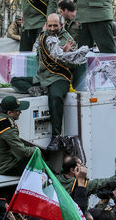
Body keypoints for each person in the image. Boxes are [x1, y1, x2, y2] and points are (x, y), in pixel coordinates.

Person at [11, 14, 89, 151]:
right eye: (50, 25)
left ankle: (56, 136)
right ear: (46, 25)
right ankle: (37, 89)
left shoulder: (67, 39)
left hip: (59, 78)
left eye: (55, 25)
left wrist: (64, 54)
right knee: (15, 80)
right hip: (42, 77)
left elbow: (75, 63)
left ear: (61, 25)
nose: (52, 28)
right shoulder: (42, 36)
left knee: (56, 96)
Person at [0, 96, 37, 175]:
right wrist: (35, 150)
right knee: (39, 170)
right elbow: (21, 151)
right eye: (18, 111)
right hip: (4, 167)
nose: (20, 112)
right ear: (9, 113)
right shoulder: (8, 128)